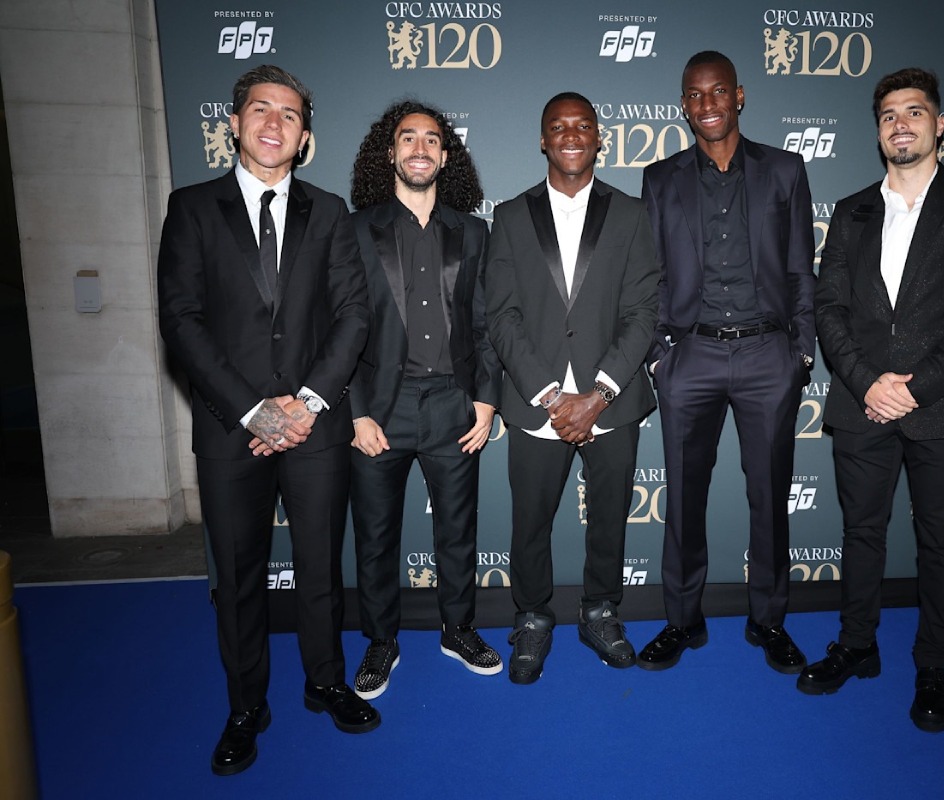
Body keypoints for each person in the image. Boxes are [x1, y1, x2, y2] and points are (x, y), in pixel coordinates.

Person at [157, 65, 378, 777]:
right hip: (231, 428)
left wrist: (305, 404)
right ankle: (246, 706)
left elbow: (353, 315)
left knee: (320, 567)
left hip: (316, 428)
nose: (274, 123)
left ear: (305, 136)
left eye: (289, 114)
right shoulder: (192, 208)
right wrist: (255, 411)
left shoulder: (330, 211)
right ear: (234, 123)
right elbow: (181, 321)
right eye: (260, 109)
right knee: (239, 576)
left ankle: (325, 681)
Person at [797, 67, 944, 733]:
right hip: (861, 401)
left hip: (940, 405)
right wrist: (868, 382)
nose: (901, 124)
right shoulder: (852, 210)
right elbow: (828, 308)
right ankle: (857, 644)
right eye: (889, 114)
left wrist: (913, 389)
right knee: (861, 532)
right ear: (878, 131)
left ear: (939, 125)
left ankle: (932, 664)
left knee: (939, 539)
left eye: (914, 112)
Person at [639, 51, 815, 673]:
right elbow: (652, 276)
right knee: (683, 498)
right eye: (695, 94)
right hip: (691, 355)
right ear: (683, 106)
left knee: (769, 496)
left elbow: (801, 267)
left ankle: (768, 620)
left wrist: (800, 350)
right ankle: (682, 620)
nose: (707, 103)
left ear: (739, 96)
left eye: (718, 91)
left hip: (769, 353)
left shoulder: (784, 170)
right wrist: (660, 354)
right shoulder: (660, 179)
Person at [486, 92, 659, 684]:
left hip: (611, 400)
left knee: (609, 518)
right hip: (537, 403)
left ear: (598, 138)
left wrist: (598, 393)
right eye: (558, 126)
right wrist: (550, 395)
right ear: (542, 139)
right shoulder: (510, 216)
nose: (570, 135)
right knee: (530, 522)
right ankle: (533, 616)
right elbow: (502, 315)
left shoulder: (631, 214)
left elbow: (642, 312)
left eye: (583, 125)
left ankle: (600, 611)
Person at [345, 100, 503, 698]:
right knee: (375, 535)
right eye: (407, 138)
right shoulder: (356, 230)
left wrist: (486, 401)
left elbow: (486, 324)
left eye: (432, 139)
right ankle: (380, 642)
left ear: (445, 155)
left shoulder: (473, 232)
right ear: (389, 152)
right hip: (379, 410)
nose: (420, 148)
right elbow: (339, 328)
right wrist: (356, 410)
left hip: (452, 405)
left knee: (458, 531)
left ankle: (457, 630)